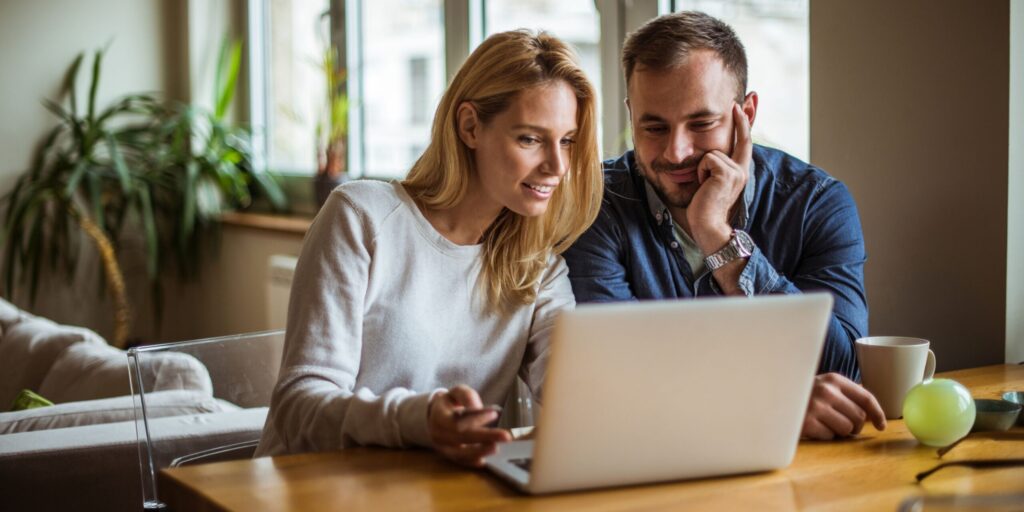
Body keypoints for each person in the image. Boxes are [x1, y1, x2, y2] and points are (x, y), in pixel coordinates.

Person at [256, 30, 603, 466]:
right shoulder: (362, 218)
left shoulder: (539, 268)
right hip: (310, 489)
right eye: (530, 139)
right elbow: (297, 408)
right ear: (470, 126)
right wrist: (417, 420)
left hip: (433, 493)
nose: (557, 166)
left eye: (567, 140)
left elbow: (571, 390)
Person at [562, 11, 886, 440]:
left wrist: (718, 236)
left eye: (701, 124)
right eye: (654, 126)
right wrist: (773, 401)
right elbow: (613, 378)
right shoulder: (595, 204)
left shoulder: (817, 204)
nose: (676, 152)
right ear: (631, 114)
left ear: (745, 113)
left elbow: (843, 370)